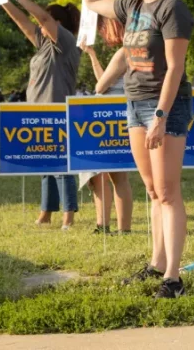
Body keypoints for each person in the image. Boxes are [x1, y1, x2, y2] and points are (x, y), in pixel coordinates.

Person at [76, 0, 194, 300]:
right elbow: (93, 0)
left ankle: (173, 278)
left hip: (165, 105)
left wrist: (160, 115)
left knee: (169, 192)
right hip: (134, 103)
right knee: (152, 190)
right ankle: (157, 263)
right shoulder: (133, 7)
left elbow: (175, 68)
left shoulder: (172, 8)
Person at [0, 0, 82, 231]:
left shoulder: (66, 42)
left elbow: (42, 19)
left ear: (58, 24)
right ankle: (45, 213)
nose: (39, 26)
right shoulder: (43, 45)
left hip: (57, 111)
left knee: (61, 166)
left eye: (46, 22)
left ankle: (68, 217)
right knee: (45, 165)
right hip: (38, 111)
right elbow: (23, 22)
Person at [82, 17, 134, 235]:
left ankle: (104, 225)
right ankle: (123, 229)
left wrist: (93, 58)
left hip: (110, 117)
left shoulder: (125, 51)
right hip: (124, 116)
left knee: (103, 175)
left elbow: (101, 86)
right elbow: (106, 80)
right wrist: (93, 55)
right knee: (118, 176)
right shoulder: (139, 51)